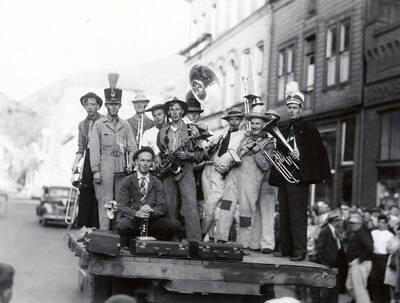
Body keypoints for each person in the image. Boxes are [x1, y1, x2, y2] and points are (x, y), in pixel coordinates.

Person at [269, 81, 331, 261]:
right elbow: (279, 152)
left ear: (301, 109)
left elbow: (318, 153)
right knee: (284, 214)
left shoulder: (310, 128)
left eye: (295, 107)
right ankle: (285, 248)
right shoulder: (283, 128)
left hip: (299, 177)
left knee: (297, 215)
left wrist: (301, 154)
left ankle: (299, 251)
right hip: (284, 176)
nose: (291, 110)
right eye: (289, 107)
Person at [217, 106, 274, 250]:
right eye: (253, 123)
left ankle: (242, 244)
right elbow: (235, 153)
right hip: (234, 174)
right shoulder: (244, 137)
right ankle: (220, 239)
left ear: (263, 125)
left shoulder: (268, 144)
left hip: (251, 180)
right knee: (226, 206)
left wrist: (257, 152)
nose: (254, 126)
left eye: (257, 124)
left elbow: (266, 166)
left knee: (246, 213)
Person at [89, 73, 136, 230]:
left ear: (120, 106)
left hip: (122, 168)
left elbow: (132, 147)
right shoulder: (99, 125)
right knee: (105, 201)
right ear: (107, 106)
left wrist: (131, 164)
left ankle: (118, 234)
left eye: (116, 104)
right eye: (111, 104)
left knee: (121, 201)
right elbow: (94, 148)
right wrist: (96, 170)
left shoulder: (126, 125)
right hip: (105, 166)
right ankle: (104, 234)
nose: (114, 106)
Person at [156, 97, 203, 241]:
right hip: (168, 170)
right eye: (171, 109)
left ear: (183, 111)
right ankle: (172, 240)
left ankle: (195, 242)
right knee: (169, 206)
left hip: (186, 168)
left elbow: (201, 154)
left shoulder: (192, 129)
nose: (174, 112)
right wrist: (158, 159)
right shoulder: (163, 130)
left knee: (190, 205)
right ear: (168, 112)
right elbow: (160, 151)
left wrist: (189, 154)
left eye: (177, 109)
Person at [116, 147, 181, 246]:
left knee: (175, 225)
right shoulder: (127, 180)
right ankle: (131, 242)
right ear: (136, 162)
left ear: (152, 163)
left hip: (150, 221)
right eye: (142, 160)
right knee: (122, 225)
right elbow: (121, 205)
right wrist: (136, 213)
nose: (145, 164)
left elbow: (162, 206)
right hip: (133, 220)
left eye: (148, 161)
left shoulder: (157, 182)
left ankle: (150, 242)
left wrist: (152, 210)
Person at [201, 107, 245, 241]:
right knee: (207, 205)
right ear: (228, 120)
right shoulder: (220, 133)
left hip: (221, 172)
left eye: (237, 119)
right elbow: (206, 151)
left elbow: (240, 156)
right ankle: (212, 237)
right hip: (208, 169)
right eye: (232, 119)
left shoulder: (243, 136)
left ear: (241, 120)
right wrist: (208, 148)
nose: (234, 122)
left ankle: (201, 235)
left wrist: (228, 165)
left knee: (211, 206)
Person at [71, 92, 103, 228]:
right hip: (88, 157)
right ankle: (84, 226)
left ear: (98, 106)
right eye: (87, 104)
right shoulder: (82, 125)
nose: (90, 107)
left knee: (99, 191)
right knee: (85, 191)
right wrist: (75, 162)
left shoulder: (104, 120)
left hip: (102, 156)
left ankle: (97, 226)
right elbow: (81, 147)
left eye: (93, 104)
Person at [316, 210, 348, 303]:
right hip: (329, 261)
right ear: (334, 221)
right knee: (328, 286)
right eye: (338, 220)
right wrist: (324, 260)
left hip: (337, 260)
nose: (339, 222)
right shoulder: (325, 230)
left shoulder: (334, 230)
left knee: (335, 285)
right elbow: (320, 247)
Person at [345, 213, 373, 303]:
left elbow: (370, 247)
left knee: (359, 288)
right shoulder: (356, 232)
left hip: (361, 264)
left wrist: (359, 259)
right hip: (355, 264)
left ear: (359, 223)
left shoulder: (362, 233)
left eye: (354, 223)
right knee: (349, 285)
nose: (351, 225)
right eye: (351, 223)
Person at [370, 214, 394, 303]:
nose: (381, 224)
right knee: (374, 279)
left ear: (386, 224)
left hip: (385, 258)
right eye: (380, 222)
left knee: (384, 279)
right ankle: (375, 299)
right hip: (374, 257)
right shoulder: (373, 233)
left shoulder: (390, 234)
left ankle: (385, 299)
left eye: (383, 223)